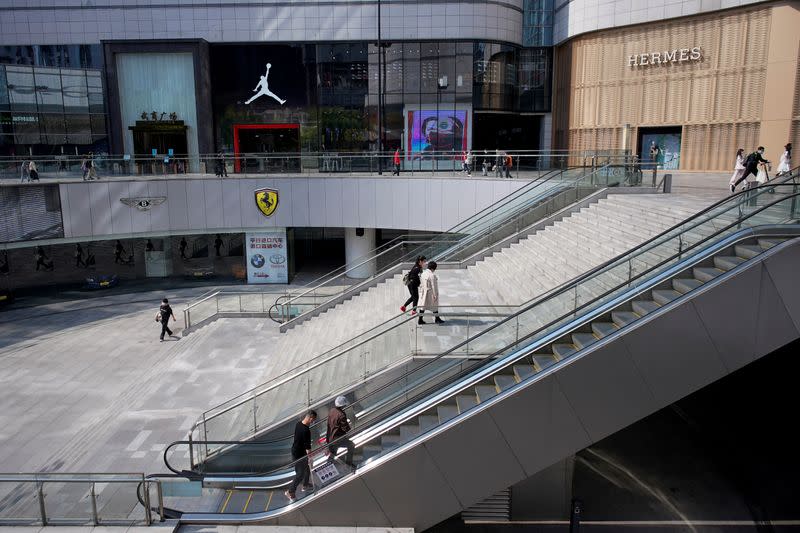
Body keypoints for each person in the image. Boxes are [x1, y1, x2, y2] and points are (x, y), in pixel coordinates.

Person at [285, 410, 318, 502]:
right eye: (313, 420)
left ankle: (305, 485)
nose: (313, 422)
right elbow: (308, 447)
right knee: (300, 474)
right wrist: (310, 458)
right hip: (300, 454)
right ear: (310, 418)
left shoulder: (298, 424)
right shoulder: (306, 430)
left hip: (296, 451)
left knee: (306, 469)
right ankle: (290, 491)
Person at [326, 396, 355, 470]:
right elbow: (345, 428)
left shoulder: (332, 411)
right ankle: (348, 463)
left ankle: (327, 470)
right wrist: (349, 425)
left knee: (332, 454)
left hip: (330, 438)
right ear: (343, 405)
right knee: (351, 445)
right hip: (338, 438)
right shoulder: (341, 414)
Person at [418, 261, 443, 325]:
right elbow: (434, 286)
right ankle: (437, 319)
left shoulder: (423, 273)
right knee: (434, 306)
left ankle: (420, 319)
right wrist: (435, 295)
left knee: (423, 306)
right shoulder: (432, 275)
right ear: (433, 268)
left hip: (424, 292)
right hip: (430, 293)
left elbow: (421, 283)